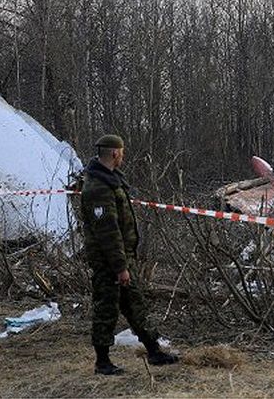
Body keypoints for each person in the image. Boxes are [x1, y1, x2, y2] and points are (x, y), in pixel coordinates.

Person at [81, 134, 178, 375]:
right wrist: (120, 266)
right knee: (107, 308)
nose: (123, 156)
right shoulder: (98, 187)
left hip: (122, 259)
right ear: (115, 153)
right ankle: (102, 362)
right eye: (121, 152)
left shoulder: (111, 181)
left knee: (135, 305)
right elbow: (108, 232)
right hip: (109, 262)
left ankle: (154, 351)